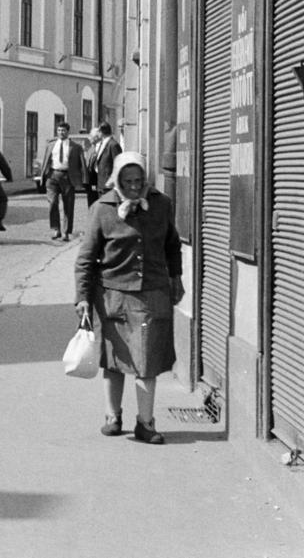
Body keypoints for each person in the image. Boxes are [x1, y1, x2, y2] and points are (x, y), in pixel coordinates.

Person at [74, 151, 184, 444]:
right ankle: (112, 417)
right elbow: (86, 258)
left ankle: (145, 423)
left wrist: (176, 278)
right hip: (112, 296)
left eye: (139, 180)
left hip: (151, 294)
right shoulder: (102, 209)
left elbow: (172, 246)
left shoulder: (161, 204)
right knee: (115, 359)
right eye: (128, 181)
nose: (134, 186)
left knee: (146, 361)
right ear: (117, 181)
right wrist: (82, 297)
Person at [36, 121, 86, 240]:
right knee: (52, 203)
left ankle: (66, 232)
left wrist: (84, 180)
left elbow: (82, 165)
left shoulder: (76, 147)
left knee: (68, 205)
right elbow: (46, 161)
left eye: (63, 130)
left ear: (68, 132)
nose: (61, 132)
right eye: (59, 130)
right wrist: (43, 176)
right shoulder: (51, 145)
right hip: (52, 176)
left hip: (67, 177)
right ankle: (56, 229)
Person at [85, 122, 121, 200]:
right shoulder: (102, 143)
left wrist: (112, 181)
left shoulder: (113, 144)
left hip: (108, 184)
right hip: (101, 183)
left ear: (101, 132)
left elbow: (118, 164)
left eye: (98, 131)